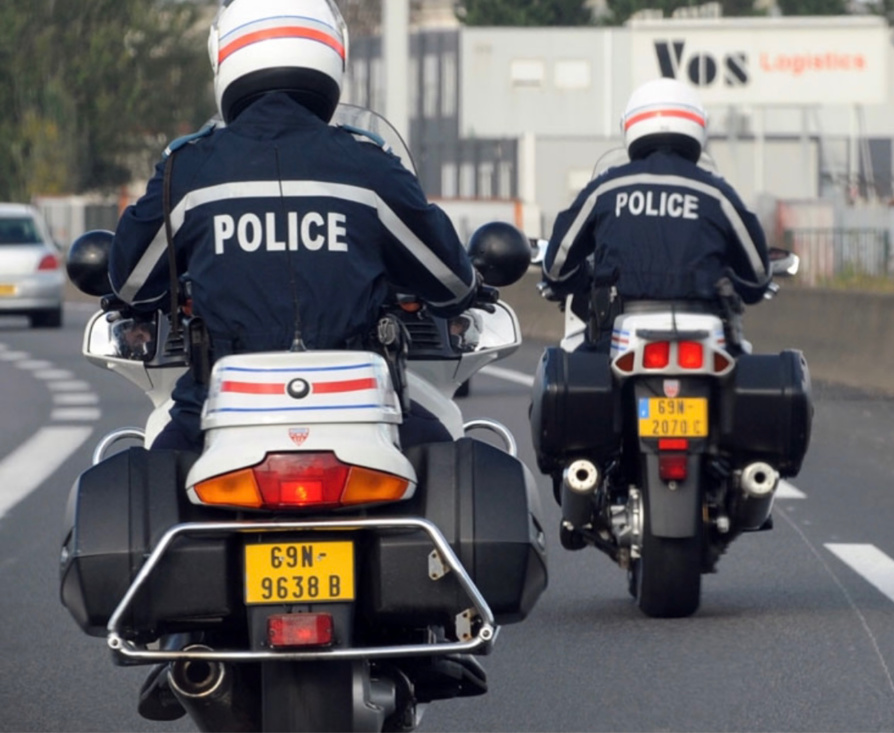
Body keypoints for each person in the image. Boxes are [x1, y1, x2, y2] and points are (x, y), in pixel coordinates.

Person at [109, 0, 479, 456]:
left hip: (216, 405)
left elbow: (130, 286)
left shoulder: (187, 170)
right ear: (332, 54)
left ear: (223, 57)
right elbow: (453, 284)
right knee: (456, 475)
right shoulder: (370, 165)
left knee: (145, 495)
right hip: (359, 403)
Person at [541, 77, 771, 350]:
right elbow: (756, 277)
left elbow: (557, 267)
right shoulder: (718, 194)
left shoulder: (605, 188)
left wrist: (580, 281)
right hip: (705, 337)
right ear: (699, 126)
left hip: (617, 337)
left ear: (629, 126)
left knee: (563, 372)